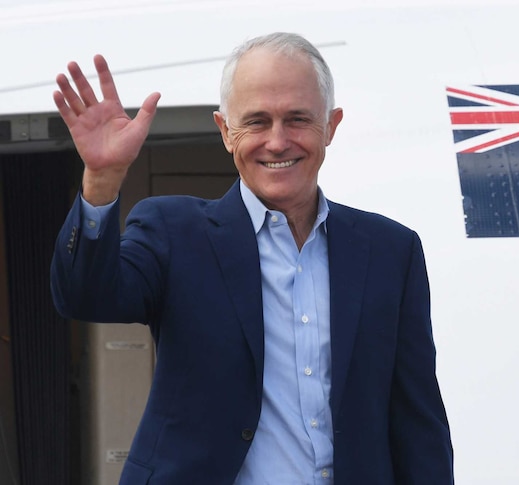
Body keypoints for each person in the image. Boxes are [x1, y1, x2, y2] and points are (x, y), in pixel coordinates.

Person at [50, 32, 454, 484]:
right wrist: (102, 181)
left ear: (331, 125)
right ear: (225, 131)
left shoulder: (390, 252)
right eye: (257, 122)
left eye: (297, 119)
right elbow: (84, 297)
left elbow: (419, 422)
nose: (277, 142)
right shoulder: (174, 232)